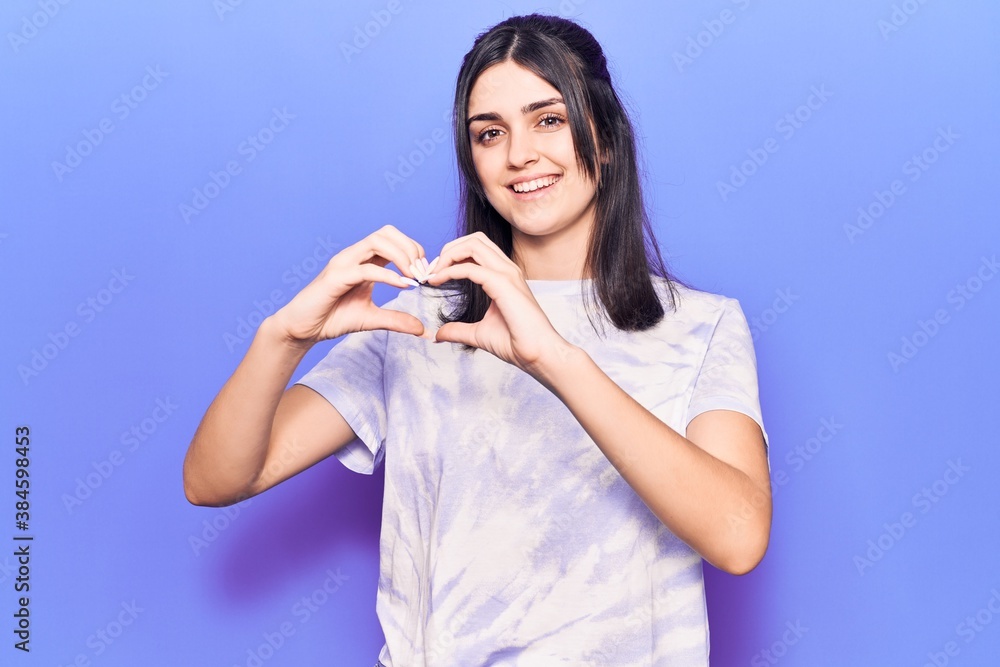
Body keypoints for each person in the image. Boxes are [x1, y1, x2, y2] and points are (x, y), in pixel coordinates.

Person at [183, 13, 771, 667]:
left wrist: (555, 358)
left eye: (548, 119)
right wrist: (283, 337)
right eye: (490, 132)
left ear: (605, 139)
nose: (519, 154)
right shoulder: (420, 323)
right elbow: (214, 479)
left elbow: (738, 537)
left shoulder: (701, 324)